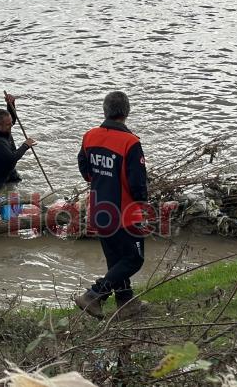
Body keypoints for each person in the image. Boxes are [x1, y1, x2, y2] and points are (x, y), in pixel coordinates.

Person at [74, 91, 149, 320]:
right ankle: (94, 294)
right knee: (134, 259)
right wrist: (144, 206)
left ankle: (127, 304)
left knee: (116, 260)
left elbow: (84, 168)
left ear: (105, 111)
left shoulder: (90, 136)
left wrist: (100, 180)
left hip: (99, 208)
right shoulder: (131, 142)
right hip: (124, 213)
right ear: (126, 112)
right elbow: (138, 185)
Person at [0, 93, 37, 220]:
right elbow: (12, 158)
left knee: (14, 187)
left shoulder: (3, 128)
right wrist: (25, 145)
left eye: (10, 123)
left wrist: (11, 104)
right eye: (9, 124)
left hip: (6, 171)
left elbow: (13, 120)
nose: (12, 125)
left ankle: (13, 214)